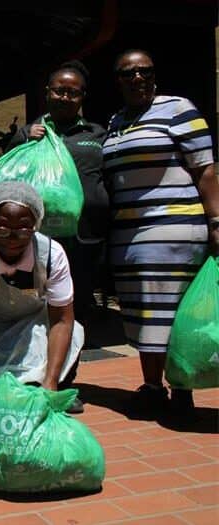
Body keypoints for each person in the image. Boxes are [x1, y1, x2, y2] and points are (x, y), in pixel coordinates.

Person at [102, 49, 218, 418]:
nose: (137, 78)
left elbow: (206, 171)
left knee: (173, 313)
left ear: (155, 75)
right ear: (117, 80)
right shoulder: (116, 121)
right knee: (142, 313)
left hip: (173, 229)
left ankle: (181, 390)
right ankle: (152, 388)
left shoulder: (178, 109)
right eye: (128, 73)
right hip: (128, 236)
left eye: (145, 71)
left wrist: (216, 221)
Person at [5, 61, 107, 406]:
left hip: (84, 241)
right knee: (34, 309)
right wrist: (25, 141)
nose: (65, 96)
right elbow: (9, 175)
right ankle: (32, 375)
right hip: (36, 242)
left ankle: (65, 379)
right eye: (58, 90)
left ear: (82, 96)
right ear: (46, 93)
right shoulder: (28, 133)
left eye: (72, 91)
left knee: (74, 310)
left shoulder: (96, 134)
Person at [0, 182, 83, 411]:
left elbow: (62, 320)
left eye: (24, 228)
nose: (12, 237)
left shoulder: (51, 254)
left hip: (34, 327)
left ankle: (59, 383)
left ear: (36, 225)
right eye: (2, 227)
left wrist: (50, 385)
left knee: (74, 332)